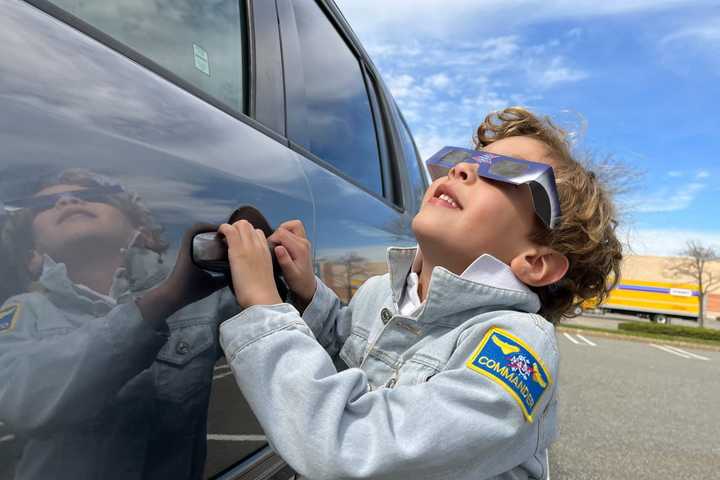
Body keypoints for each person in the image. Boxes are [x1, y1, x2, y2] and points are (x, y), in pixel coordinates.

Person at [215, 107, 623, 480]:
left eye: (507, 172)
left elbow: (353, 447)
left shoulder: (514, 344)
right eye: (465, 158)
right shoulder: (380, 291)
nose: (462, 169)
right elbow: (348, 346)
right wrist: (307, 292)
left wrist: (264, 309)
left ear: (535, 261)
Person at [0, 169, 237, 479]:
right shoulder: (22, 310)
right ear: (32, 252)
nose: (68, 200)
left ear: (138, 228)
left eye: (90, 195)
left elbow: (285, 321)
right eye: (46, 204)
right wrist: (159, 304)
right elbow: (20, 399)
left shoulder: (203, 296)